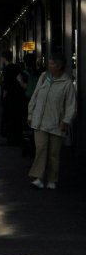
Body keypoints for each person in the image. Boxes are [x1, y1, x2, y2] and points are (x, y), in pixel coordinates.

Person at [27, 53, 76, 190]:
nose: (49, 66)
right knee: (41, 149)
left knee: (54, 153)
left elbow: (71, 105)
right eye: (49, 63)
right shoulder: (44, 77)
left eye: (52, 64)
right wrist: (30, 113)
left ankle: (52, 179)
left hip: (56, 123)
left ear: (59, 66)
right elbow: (35, 96)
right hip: (40, 121)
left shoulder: (67, 83)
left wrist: (66, 121)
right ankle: (39, 178)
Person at [0, 50, 27, 145]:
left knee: (8, 118)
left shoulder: (6, 69)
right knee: (17, 118)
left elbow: (6, 85)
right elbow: (20, 79)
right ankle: (17, 138)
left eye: (2, 58)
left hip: (10, 97)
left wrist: (3, 97)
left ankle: (10, 139)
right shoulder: (17, 67)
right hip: (18, 96)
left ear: (4, 58)